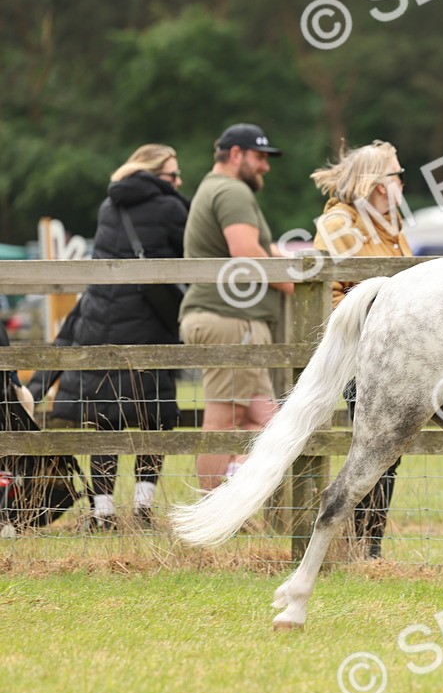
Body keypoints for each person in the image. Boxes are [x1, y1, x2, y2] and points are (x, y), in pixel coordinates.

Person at [31, 144, 189, 530]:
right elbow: (188, 259)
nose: (179, 181)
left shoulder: (108, 207)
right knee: (153, 418)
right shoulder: (171, 209)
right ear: (154, 174)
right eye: (173, 174)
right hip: (148, 326)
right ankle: (143, 507)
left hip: (99, 323)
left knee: (106, 420)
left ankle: (102, 512)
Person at [311, 140, 412, 558]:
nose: (403, 181)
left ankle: (367, 544)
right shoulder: (339, 225)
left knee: (387, 451)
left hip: (397, 357)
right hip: (361, 355)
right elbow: (325, 295)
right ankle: (360, 546)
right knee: (373, 450)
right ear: (378, 184)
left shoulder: (392, 229)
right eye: (397, 174)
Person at [180, 124, 292, 491]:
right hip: (231, 320)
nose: (266, 167)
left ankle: (234, 495)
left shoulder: (217, 189)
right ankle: (214, 508)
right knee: (224, 420)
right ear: (236, 154)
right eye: (260, 157)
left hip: (234, 319)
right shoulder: (231, 190)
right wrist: (293, 284)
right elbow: (246, 253)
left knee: (269, 421)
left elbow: (266, 250)